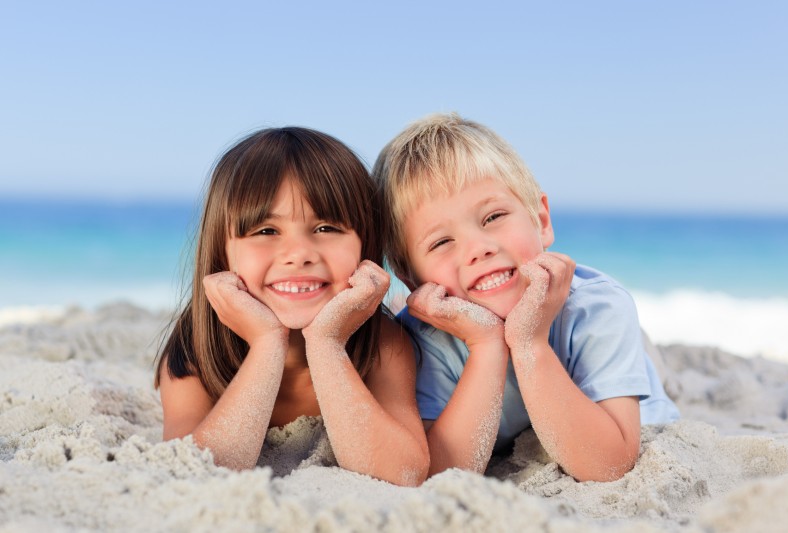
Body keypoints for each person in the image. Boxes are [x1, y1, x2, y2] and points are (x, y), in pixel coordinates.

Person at [372, 113, 679, 482]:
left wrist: (529, 342)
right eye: (441, 242)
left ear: (542, 220)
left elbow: (608, 465)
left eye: (493, 217)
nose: (478, 248)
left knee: (638, 359)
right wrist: (486, 344)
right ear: (409, 278)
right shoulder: (420, 341)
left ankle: (649, 358)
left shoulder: (598, 307)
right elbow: (443, 474)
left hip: (605, 388)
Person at [155, 127, 429, 486]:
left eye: (327, 227)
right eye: (266, 231)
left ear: (365, 247)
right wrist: (267, 343)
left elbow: (403, 473)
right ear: (222, 251)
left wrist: (327, 344)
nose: (299, 254)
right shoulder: (195, 348)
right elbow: (194, 472)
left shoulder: (384, 344)